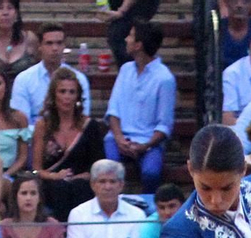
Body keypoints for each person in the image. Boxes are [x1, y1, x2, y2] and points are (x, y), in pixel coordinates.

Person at [103, 23, 174, 192]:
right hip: (118, 138)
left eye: (131, 36)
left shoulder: (165, 78)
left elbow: (164, 124)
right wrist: (119, 138)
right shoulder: (125, 70)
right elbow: (113, 109)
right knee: (109, 169)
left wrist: (145, 145)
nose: (126, 39)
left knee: (151, 173)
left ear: (138, 45)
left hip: (148, 141)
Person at [30, 65, 103, 221]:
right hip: (51, 183)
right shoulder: (42, 125)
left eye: (72, 92)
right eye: (62, 91)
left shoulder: (90, 126)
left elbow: (98, 167)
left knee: (79, 188)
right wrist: (55, 176)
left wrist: (80, 177)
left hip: (82, 183)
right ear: (53, 95)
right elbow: (36, 170)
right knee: (60, 188)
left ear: (78, 96)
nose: (67, 97)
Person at [11, 23, 89, 125]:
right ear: (40, 46)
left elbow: (82, 118)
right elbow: (22, 121)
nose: (55, 48)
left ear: (64, 46)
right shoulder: (23, 79)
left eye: (59, 43)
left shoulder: (79, 79)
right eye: (49, 43)